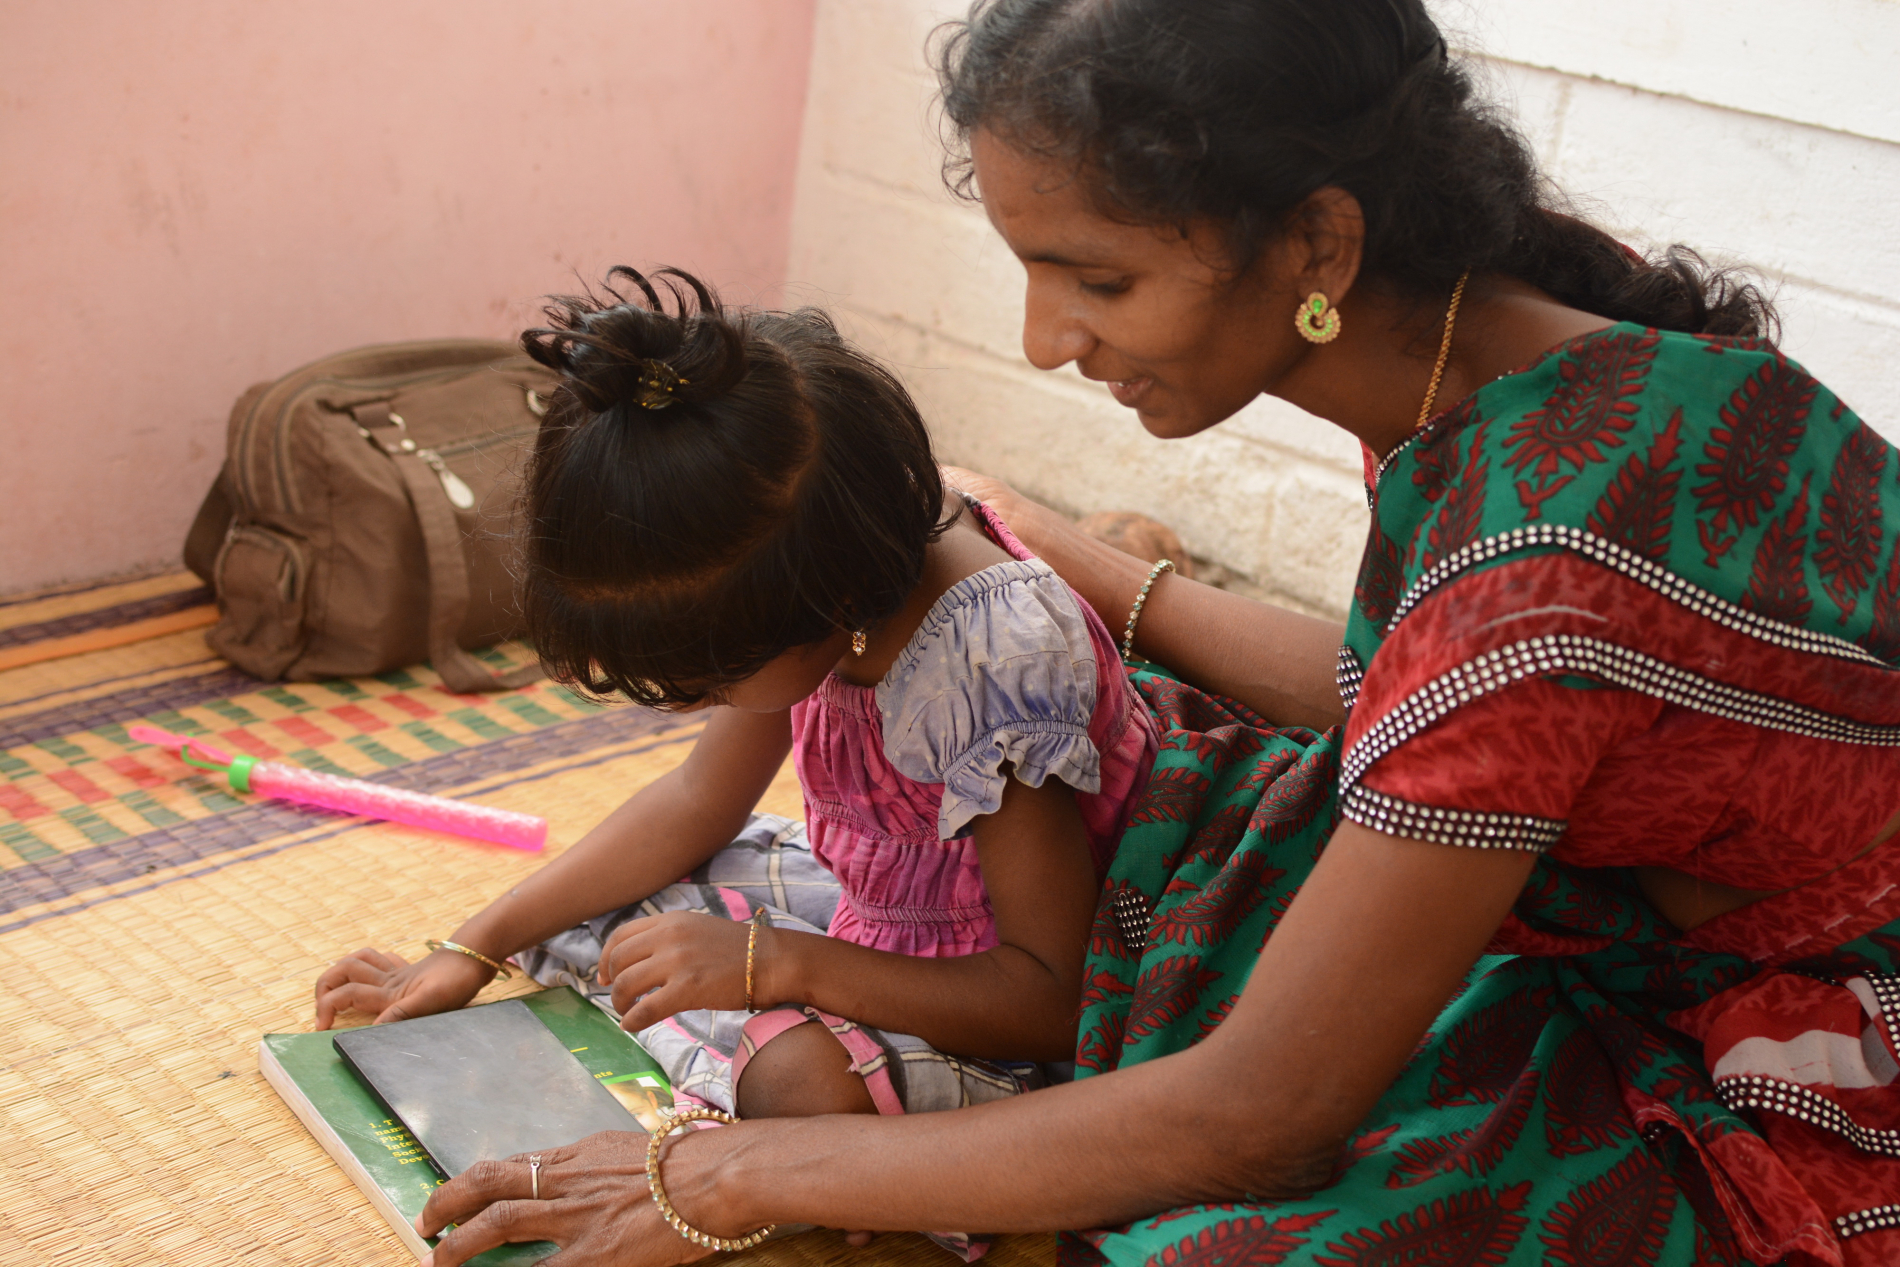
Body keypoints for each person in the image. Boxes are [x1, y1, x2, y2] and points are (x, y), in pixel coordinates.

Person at [412, 3, 1900, 1265]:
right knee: (1190, 883)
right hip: (1602, 885)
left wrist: (730, 1175)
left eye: (1098, 278)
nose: (1046, 340)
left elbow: (1263, 1111)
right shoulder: (1516, 340)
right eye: (1035, 269)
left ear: (1316, 242)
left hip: (1790, 1021)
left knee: (1212, 1221)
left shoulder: (1546, 548)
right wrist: (1105, 581)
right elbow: (1426, 700)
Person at [312, 266, 1158, 1260]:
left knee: (794, 1076)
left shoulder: (988, 658)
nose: (705, 704)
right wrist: (476, 942)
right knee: (617, 906)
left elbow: (1054, 998)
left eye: (710, 680)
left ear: (822, 607)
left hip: (1026, 1012)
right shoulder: (827, 565)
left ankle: (788, 1152)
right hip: (884, 911)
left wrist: (777, 966)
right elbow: (694, 801)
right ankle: (731, 1061)